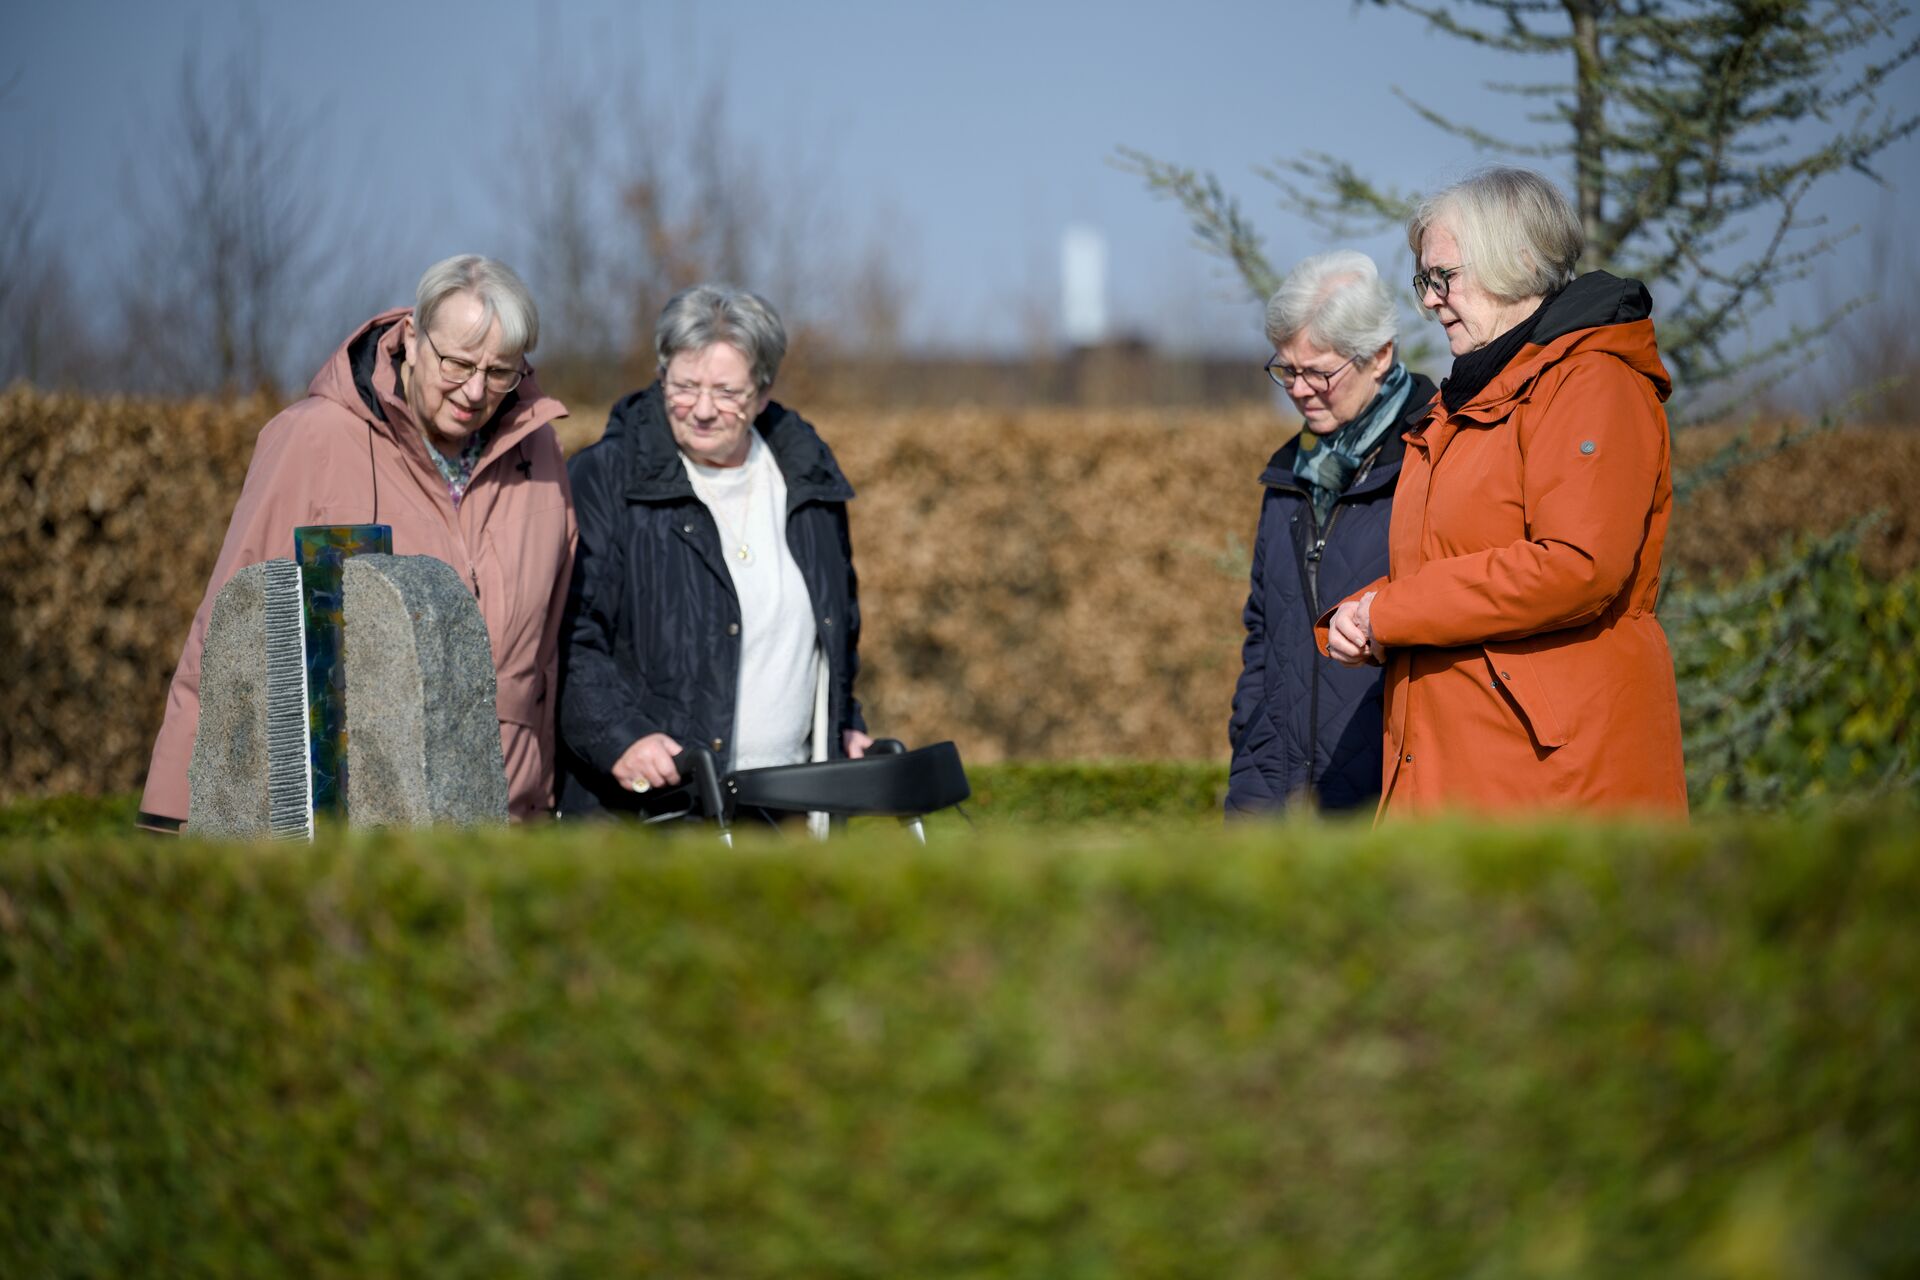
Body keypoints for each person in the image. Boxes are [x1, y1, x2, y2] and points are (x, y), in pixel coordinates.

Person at [139, 255, 577, 828]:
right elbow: (227, 639)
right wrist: (170, 810)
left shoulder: (540, 453)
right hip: (355, 827)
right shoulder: (312, 440)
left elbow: (546, 656)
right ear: (414, 340)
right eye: (458, 363)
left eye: (500, 372)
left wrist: (542, 804)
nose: (475, 391)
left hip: (508, 823)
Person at [1322, 166, 1687, 815]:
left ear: (1519, 262)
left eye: (1444, 277)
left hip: (1549, 786)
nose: (1430, 301)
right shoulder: (1461, 407)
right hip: (1455, 774)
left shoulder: (1591, 384)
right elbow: (1450, 571)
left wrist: (1392, 613)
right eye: (1422, 281)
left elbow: (1576, 565)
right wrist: (1372, 612)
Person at [557, 284, 869, 819]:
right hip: (655, 810)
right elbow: (570, 638)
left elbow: (834, 635)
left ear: (764, 392)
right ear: (660, 377)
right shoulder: (606, 477)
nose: (702, 409)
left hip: (792, 807)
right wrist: (621, 738)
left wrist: (845, 725)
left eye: (727, 392)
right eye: (684, 386)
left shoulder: (808, 478)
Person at [1227, 251, 1437, 815]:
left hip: (1392, 801)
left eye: (1318, 372)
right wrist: (1251, 783)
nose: (1297, 389)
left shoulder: (1436, 459)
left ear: (1380, 356)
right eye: (1285, 369)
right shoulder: (1290, 476)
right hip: (1276, 802)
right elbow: (1263, 641)